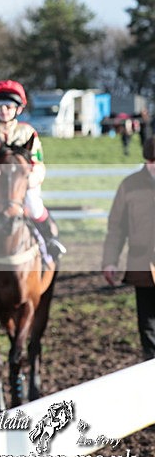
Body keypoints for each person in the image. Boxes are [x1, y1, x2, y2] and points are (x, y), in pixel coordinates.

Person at [0, 80, 67, 261]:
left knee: (34, 205)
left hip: (22, 186)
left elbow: (38, 164)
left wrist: (28, 181)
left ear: (18, 109)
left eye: (9, 106)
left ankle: (50, 241)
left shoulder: (28, 133)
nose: (4, 110)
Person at [102, 137, 155, 361]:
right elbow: (116, 227)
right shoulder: (130, 185)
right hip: (143, 265)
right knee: (148, 325)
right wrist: (110, 260)